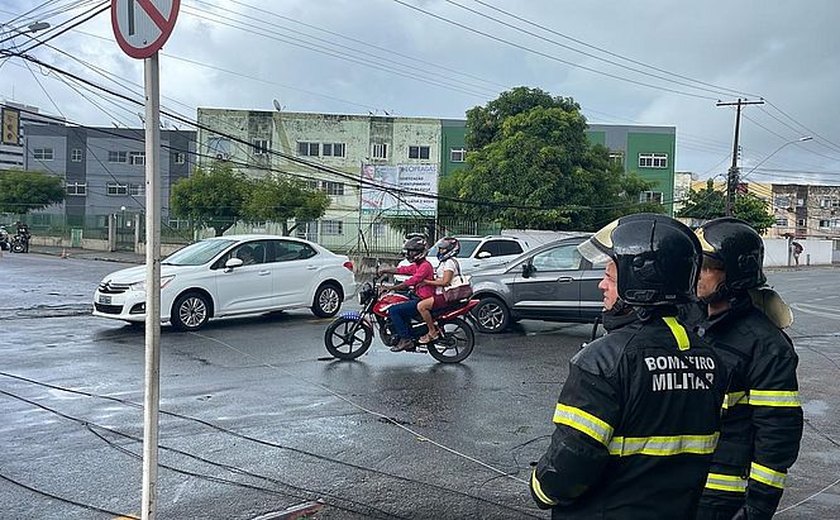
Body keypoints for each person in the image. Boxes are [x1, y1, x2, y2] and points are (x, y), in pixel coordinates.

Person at [529, 213, 729, 519]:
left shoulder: (602, 360)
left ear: (639, 283)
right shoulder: (709, 357)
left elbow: (570, 465)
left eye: (609, 277)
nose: (601, 285)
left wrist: (540, 487)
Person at [693, 218, 803, 520]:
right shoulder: (691, 323)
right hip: (678, 486)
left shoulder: (766, 345)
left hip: (721, 495)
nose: (696, 275)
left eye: (706, 267)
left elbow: (777, 434)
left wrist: (758, 507)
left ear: (735, 273)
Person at [377, 235, 435, 352]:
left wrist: (390, 287)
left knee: (394, 310)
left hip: (422, 299)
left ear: (420, 252)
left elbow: (411, 281)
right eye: (408, 251)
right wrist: (385, 270)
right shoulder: (418, 265)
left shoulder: (425, 266)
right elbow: (403, 270)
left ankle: (406, 339)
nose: (409, 254)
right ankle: (404, 330)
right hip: (415, 295)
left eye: (412, 251)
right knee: (393, 300)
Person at [416, 237, 461, 344]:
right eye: (440, 249)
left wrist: (426, 282)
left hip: (445, 295)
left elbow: (445, 282)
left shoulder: (449, 262)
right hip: (441, 293)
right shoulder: (445, 262)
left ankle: (432, 332)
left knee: (421, 306)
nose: (440, 251)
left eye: (443, 249)